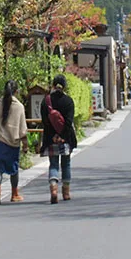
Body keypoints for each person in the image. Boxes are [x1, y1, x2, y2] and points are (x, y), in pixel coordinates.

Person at [39, 74, 78, 204]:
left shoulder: (46, 101)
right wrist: (62, 136)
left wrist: (54, 136)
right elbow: (68, 122)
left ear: (53, 85)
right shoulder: (68, 101)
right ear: (64, 86)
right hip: (65, 139)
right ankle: (66, 193)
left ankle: (53, 189)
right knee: (66, 164)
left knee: (53, 164)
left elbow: (45, 121)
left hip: (51, 139)